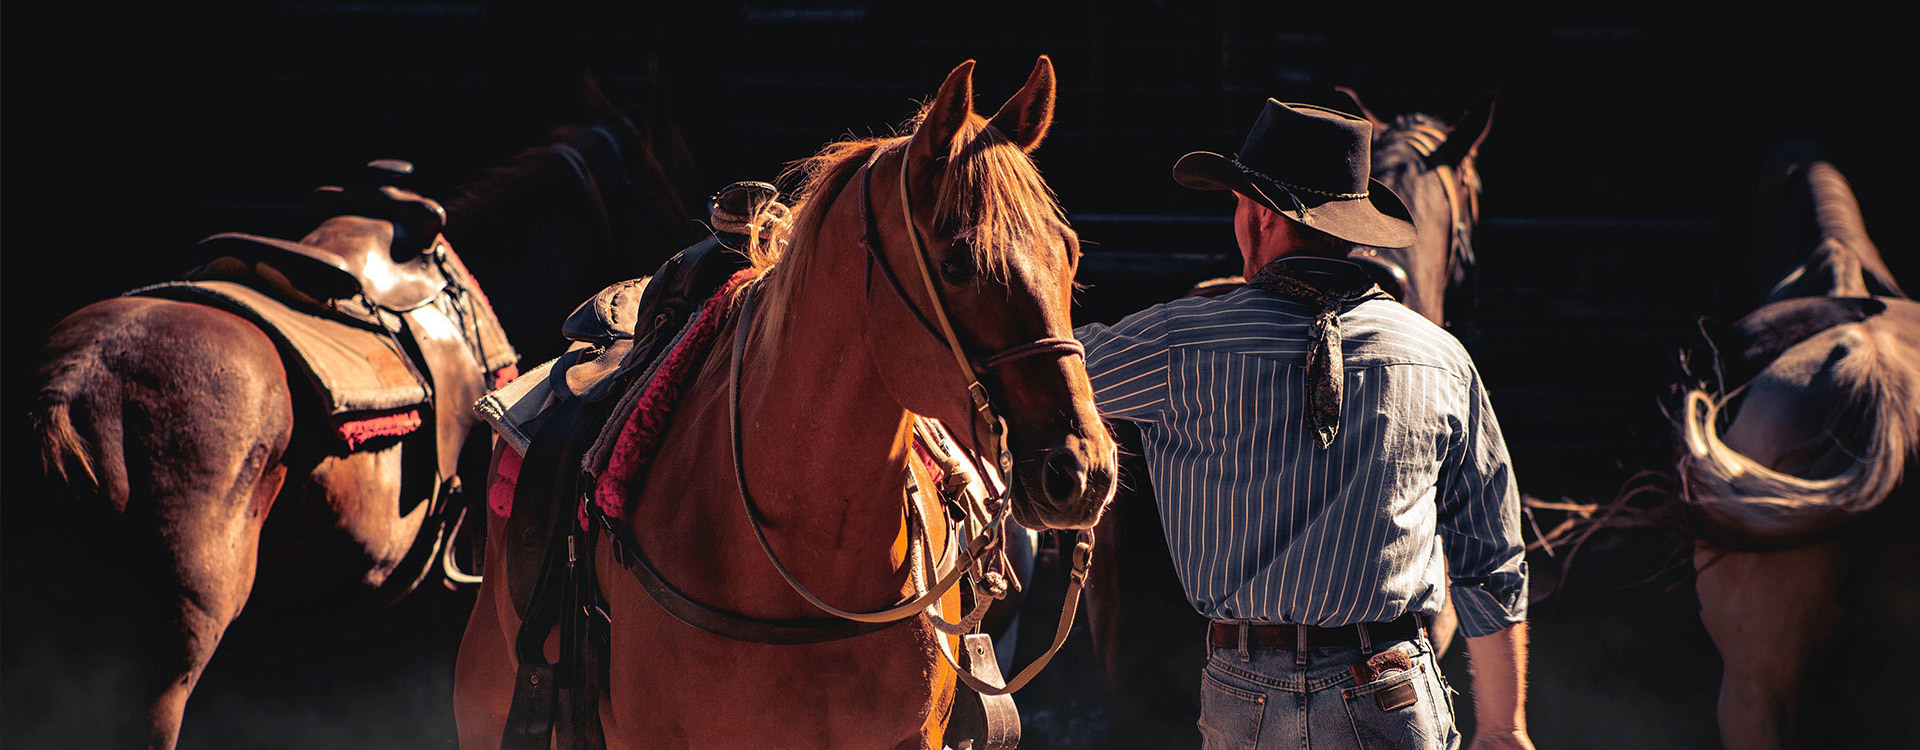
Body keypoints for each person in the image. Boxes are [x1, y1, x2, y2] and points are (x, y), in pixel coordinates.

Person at [1075, 99, 1533, 750]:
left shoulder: (1174, 344)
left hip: (1244, 695)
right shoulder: (1442, 360)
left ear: (1260, 215)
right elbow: (1491, 563)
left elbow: (1035, 376)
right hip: (1393, 687)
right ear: (1350, 224)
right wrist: (1502, 727)